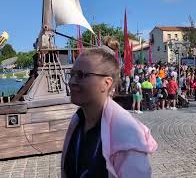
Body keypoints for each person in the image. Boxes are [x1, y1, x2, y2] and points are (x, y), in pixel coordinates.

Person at [61, 44, 158, 178]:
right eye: (71, 74)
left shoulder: (127, 136)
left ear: (106, 83)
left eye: (81, 75)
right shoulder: (77, 121)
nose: (71, 82)